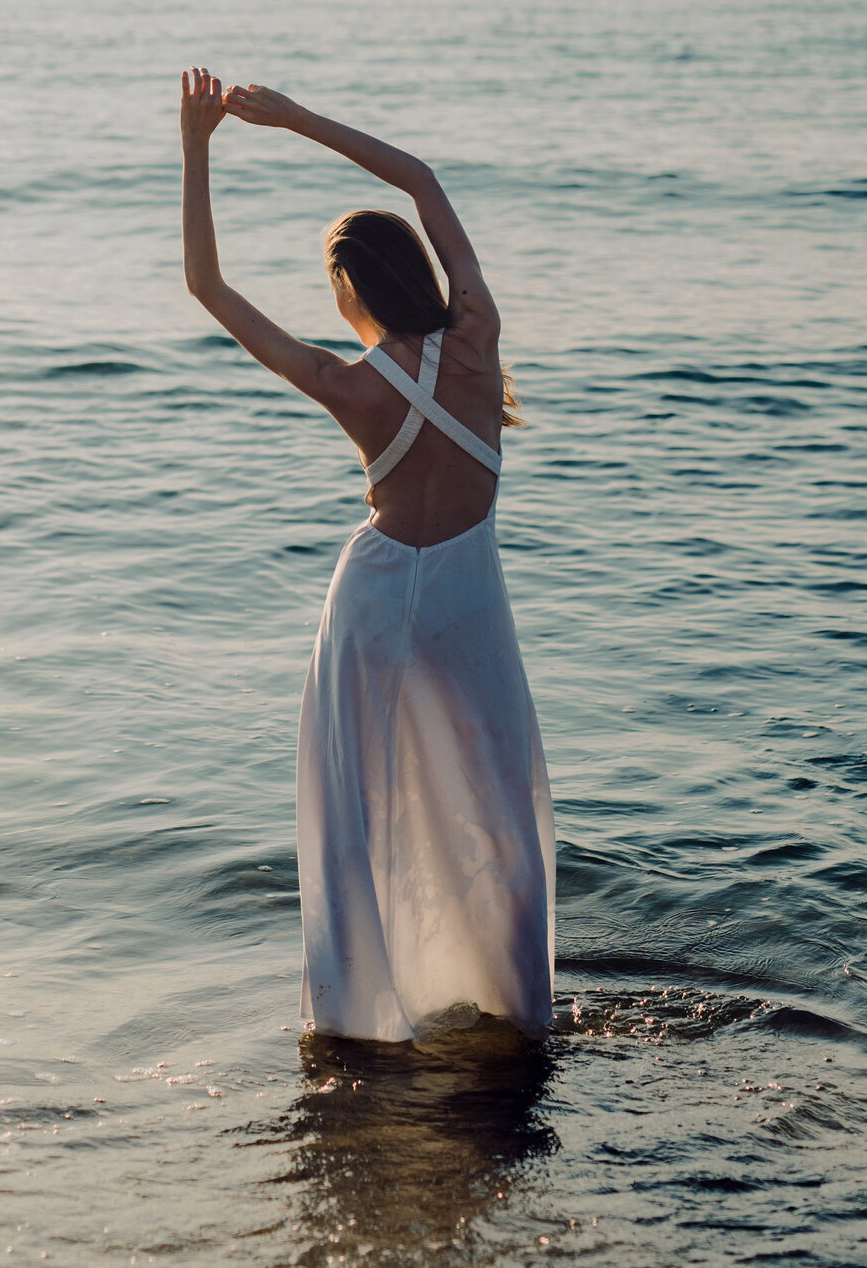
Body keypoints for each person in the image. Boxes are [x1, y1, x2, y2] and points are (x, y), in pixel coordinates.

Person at [179, 67, 554, 1043]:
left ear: (346, 287)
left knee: (357, 809)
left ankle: (354, 1022)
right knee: (498, 801)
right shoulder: (476, 338)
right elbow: (421, 181)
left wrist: (197, 146)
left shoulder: (345, 384)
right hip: (468, 595)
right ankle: (514, 1008)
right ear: (416, 274)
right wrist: (295, 121)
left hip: (375, 597)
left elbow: (206, 287)